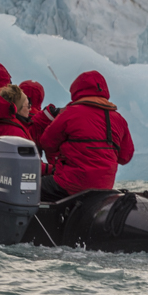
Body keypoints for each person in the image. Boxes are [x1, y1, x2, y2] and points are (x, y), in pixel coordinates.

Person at [39, 71, 135, 200]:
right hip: (104, 189)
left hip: (69, 185)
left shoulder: (70, 113)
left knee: (29, 188)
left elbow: (46, 142)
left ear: (77, 91)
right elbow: (125, 157)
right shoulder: (119, 119)